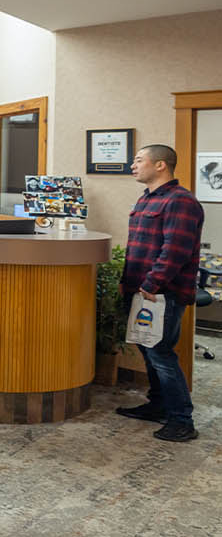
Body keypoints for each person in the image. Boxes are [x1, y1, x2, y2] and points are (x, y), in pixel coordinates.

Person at [116, 144, 202, 442]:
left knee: (161, 353)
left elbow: (174, 252)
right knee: (148, 349)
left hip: (160, 293)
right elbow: (139, 247)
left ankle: (182, 420)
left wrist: (151, 284)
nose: (133, 166)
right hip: (140, 289)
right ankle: (158, 405)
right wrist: (127, 282)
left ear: (161, 165)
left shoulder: (181, 201)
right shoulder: (147, 199)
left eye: (139, 160)